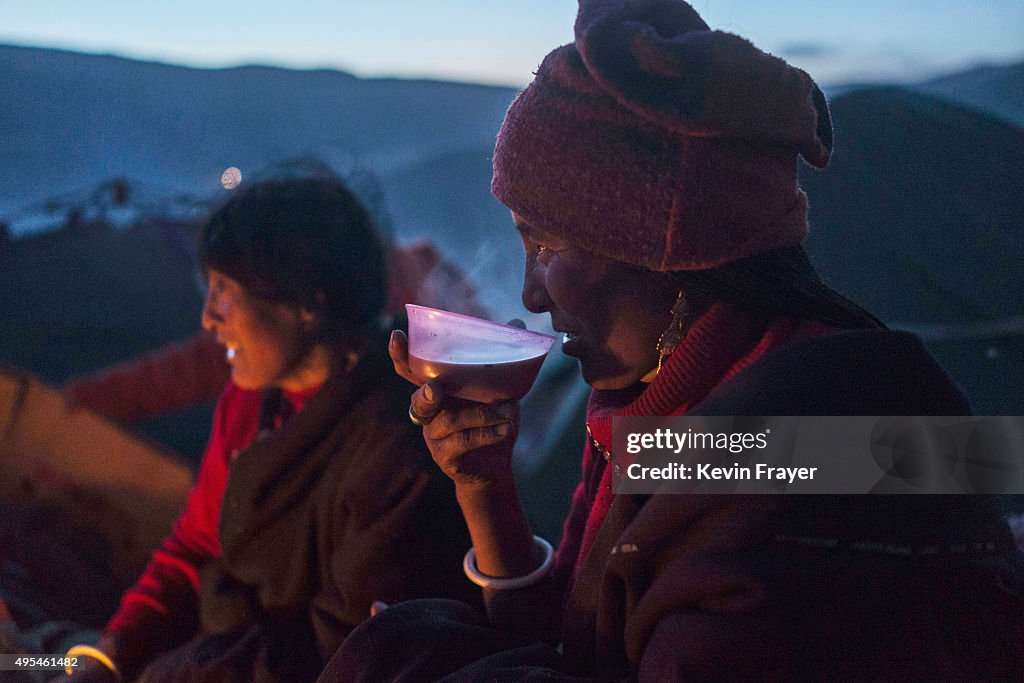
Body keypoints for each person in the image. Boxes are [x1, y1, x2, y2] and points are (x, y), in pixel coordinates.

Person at [322, 1, 1024, 680]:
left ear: (670, 256)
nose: (531, 294)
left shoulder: (809, 450)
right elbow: (581, 639)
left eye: (546, 246)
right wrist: (487, 491)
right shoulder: (660, 416)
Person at [64, 177, 477, 682]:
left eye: (225, 293)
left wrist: (176, 672)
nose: (208, 318)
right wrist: (111, 655)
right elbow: (193, 549)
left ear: (305, 301)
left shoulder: (395, 442)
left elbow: (343, 649)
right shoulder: (248, 402)